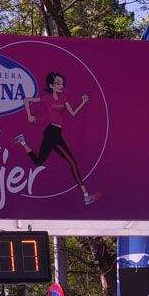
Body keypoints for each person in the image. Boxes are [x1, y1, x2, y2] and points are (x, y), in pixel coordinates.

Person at [15, 71, 98, 205]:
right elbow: (27, 100)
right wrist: (29, 115)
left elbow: (73, 113)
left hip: (55, 133)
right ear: (51, 85)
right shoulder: (46, 98)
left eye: (62, 83)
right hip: (52, 133)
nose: (61, 85)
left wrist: (83, 102)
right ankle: (86, 195)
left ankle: (22, 141)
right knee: (72, 163)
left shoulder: (63, 99)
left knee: (38, 162)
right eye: (57, 83)